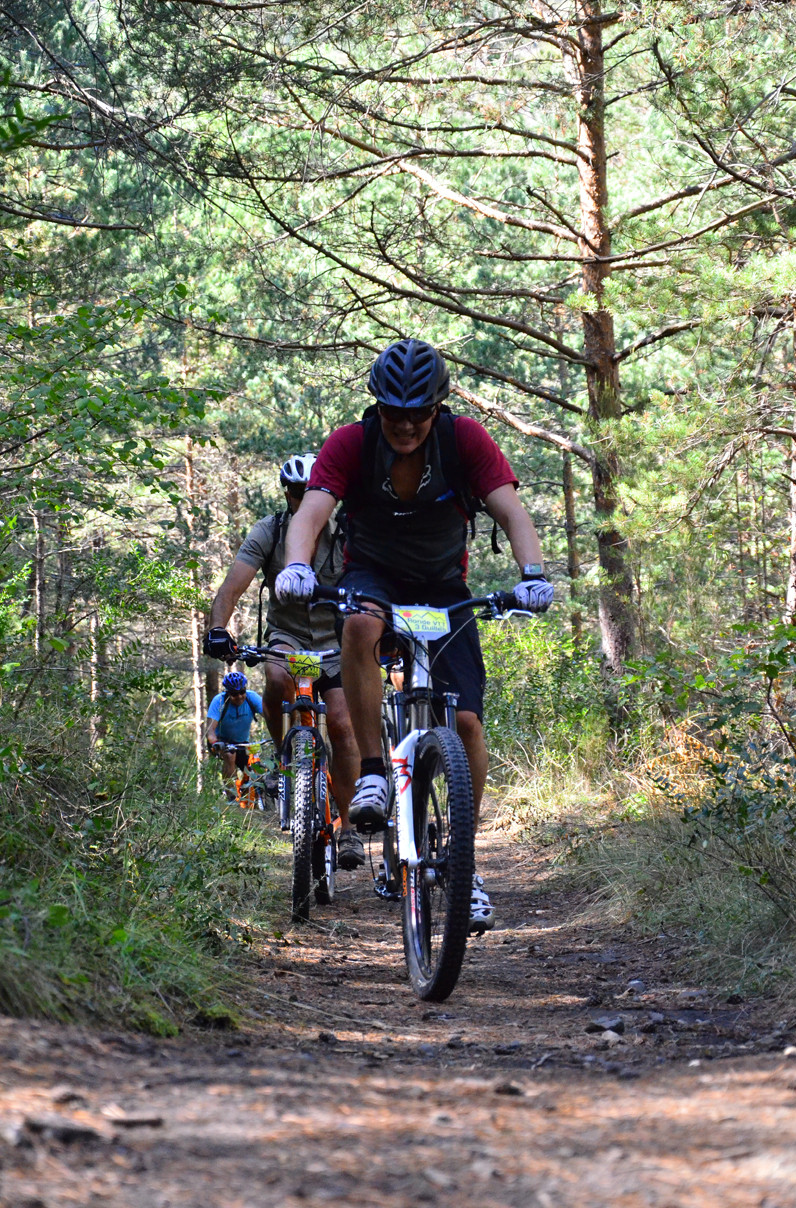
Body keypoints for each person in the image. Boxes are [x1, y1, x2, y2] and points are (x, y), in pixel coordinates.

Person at [274, 339, 554, 930]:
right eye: (393, 412)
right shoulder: (352, 444)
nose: (405, 425)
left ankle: (462, 863)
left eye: (419, 413)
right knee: (359, 623)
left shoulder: (464, 440)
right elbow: (311, 513)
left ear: (438, 407)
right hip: (372, 574)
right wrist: (297, 566)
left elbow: (511, 511)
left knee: (467, 722)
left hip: (441, 582)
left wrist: (532, 573)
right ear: (376, 405)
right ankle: (374, 772)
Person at [202, 454, 364, 871]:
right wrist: (217, 628)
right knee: (275, 679)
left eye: (311, 491)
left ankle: (349, 829)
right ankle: (285, 755)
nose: (302, 499)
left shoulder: (347, 532)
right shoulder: (269, 531)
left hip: (336, 640)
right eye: (295, 492)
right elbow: (233, 585)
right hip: (288, 636)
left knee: (343, 724)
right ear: (286, 493)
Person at [206, 670, 264, 788]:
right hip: (221, 741)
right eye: (234, 694)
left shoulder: (252, 697)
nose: (239, 696)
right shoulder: (219, 701)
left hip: (242, 742)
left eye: (242, 692)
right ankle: (231, 795)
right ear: (228, 693)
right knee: (230, 755)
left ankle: (250, 794)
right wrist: (216, 743)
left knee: (253, 766)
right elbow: (210, 731)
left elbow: (271, 717)